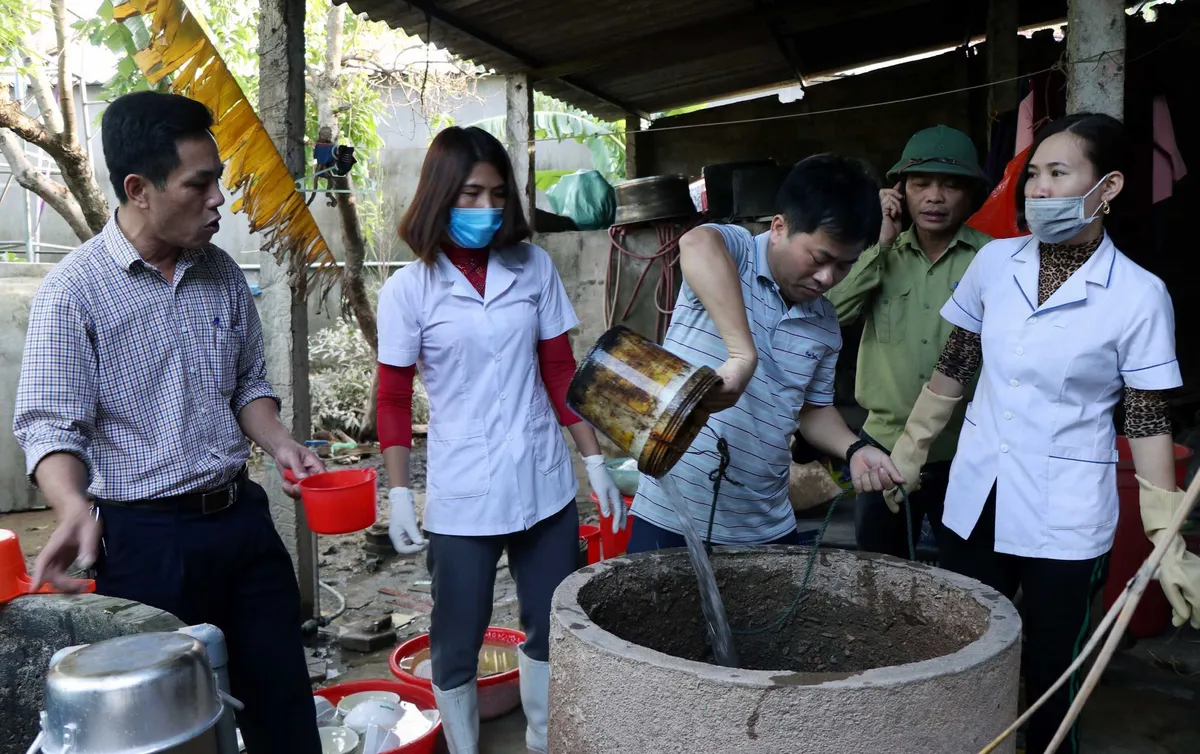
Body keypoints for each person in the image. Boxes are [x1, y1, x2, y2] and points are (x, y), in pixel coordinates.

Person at [13, 91, 324, 753]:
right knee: (173, 731)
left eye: (218, 180)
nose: (220, 200)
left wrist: (280, 442)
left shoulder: (224, 277)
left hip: (242, 523)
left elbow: (247, 388)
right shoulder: (75, 292)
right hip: (145, 545)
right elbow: (49, 427)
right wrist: (69, 503)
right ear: (140, 189)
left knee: (284, 713)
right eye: (200, 183)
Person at [886, 113, 1200, 753]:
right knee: (964, 653)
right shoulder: (995, 262)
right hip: (976, 496)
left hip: (1065, 512)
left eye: (1059, 173)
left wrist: (1166, 531)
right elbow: (957, 363)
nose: (1039, 189)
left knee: (1055, 670)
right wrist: (911, 448)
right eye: (1033, 175)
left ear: (1106, 188)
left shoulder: (1139, 295)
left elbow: (1144, 417)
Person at [375, 125, 626, 754]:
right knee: (457, 635)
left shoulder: (532, 265)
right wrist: (399, 493)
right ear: (438, 197)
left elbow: (560, 370)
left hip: (543, 480)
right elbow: (393, 398)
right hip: (463, 491)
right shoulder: (409, 289)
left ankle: (542, 742)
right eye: (469, 195)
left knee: (551, 626)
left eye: (495, 195)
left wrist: (593, 461)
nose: (486, 210)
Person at [625, 154, 905, 554]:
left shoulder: (824, 323)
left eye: (845, 266)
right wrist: (743, 356)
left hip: (766, 525)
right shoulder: (736, 254)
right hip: (671, 515)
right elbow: (695, 241)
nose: (828, 278)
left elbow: (812, 411)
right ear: (779, 227)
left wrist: (855, 449)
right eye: (820, 258)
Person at [827, 125, 992, 559]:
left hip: (966, 450)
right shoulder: (877, 253)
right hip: (882, 447)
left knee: (971, 579)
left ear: (971, 193)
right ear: (900, 192)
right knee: (880, 575)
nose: (934, 197)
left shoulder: (993, 260)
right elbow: (830, 316)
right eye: (921, 184)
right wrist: (877, 241)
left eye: (950, 184)